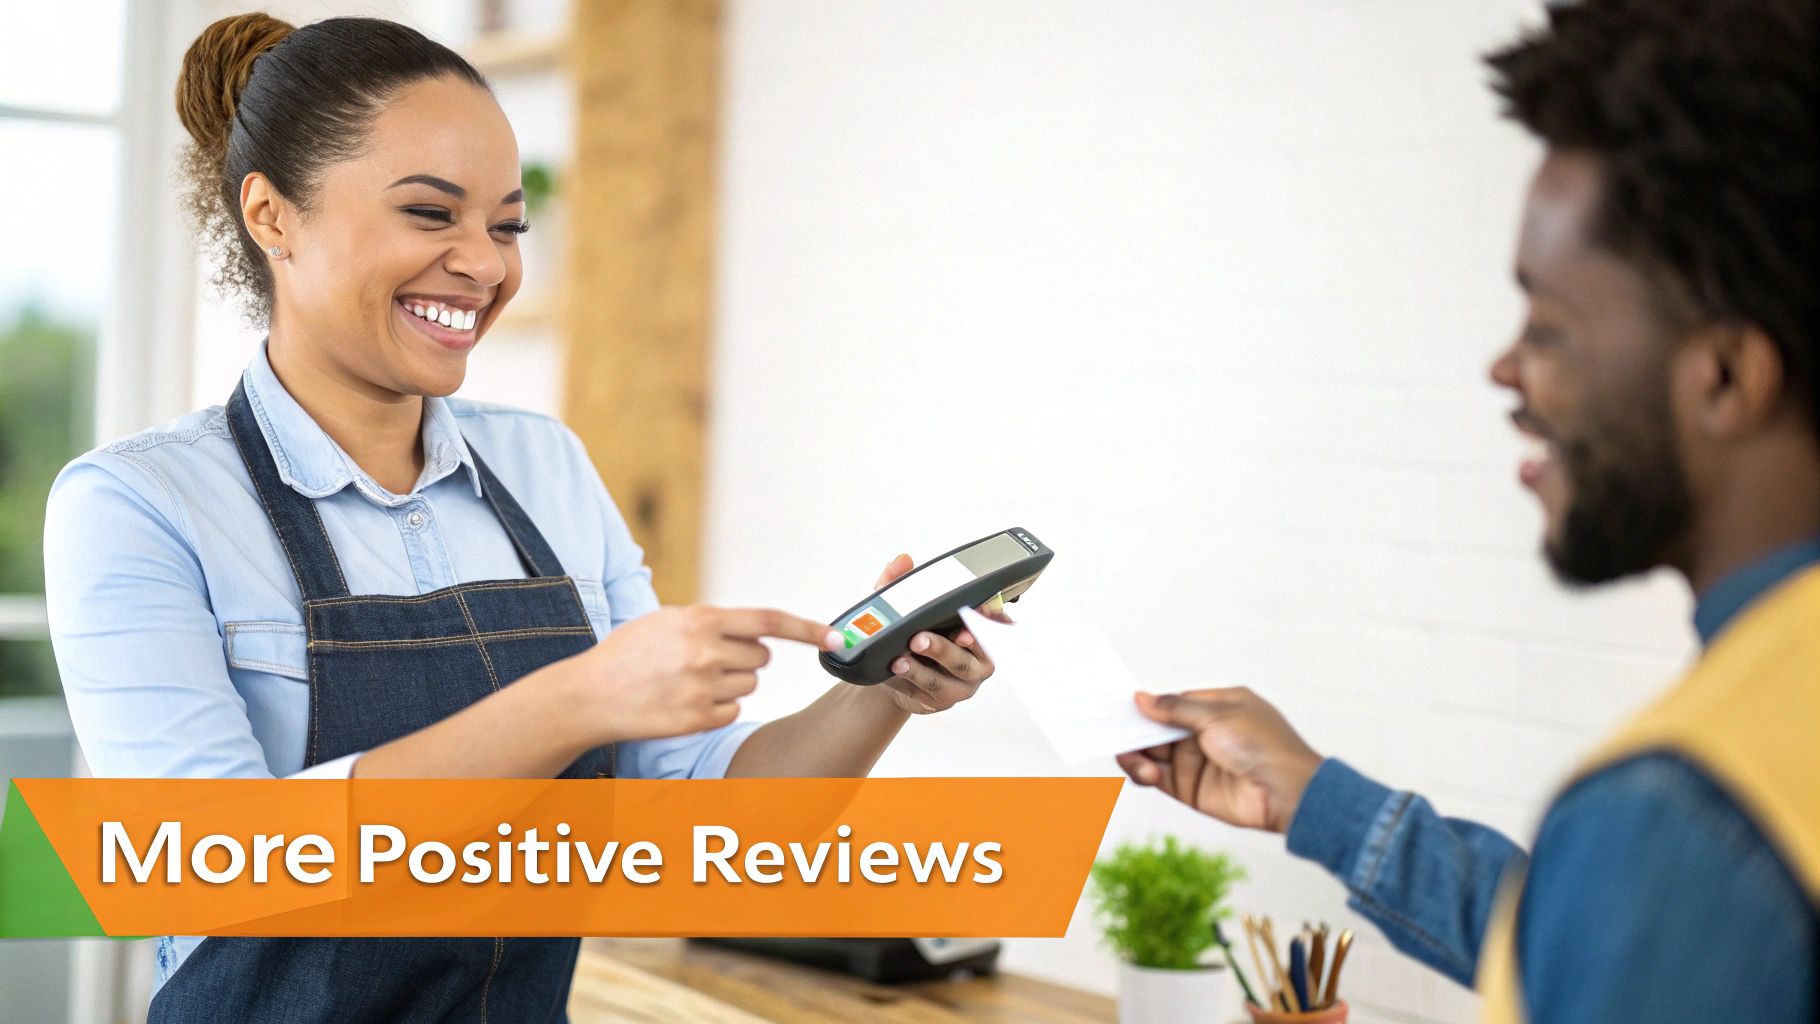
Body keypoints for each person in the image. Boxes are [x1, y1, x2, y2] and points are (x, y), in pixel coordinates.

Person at [41, 14, 997, 1022]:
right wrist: (575, 700)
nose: (482, 265)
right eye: (429, 214)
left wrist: (880, 691)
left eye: (505, 225)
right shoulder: (139, 505)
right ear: (273, 216)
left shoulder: (545, 466)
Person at [1117, 1, 1817, 1021]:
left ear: (1722, 375)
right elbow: (1594, 936)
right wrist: (1316, 798)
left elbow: (1648, 903)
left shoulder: (1680, 815)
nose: (1503, 369)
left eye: (1548, 324)